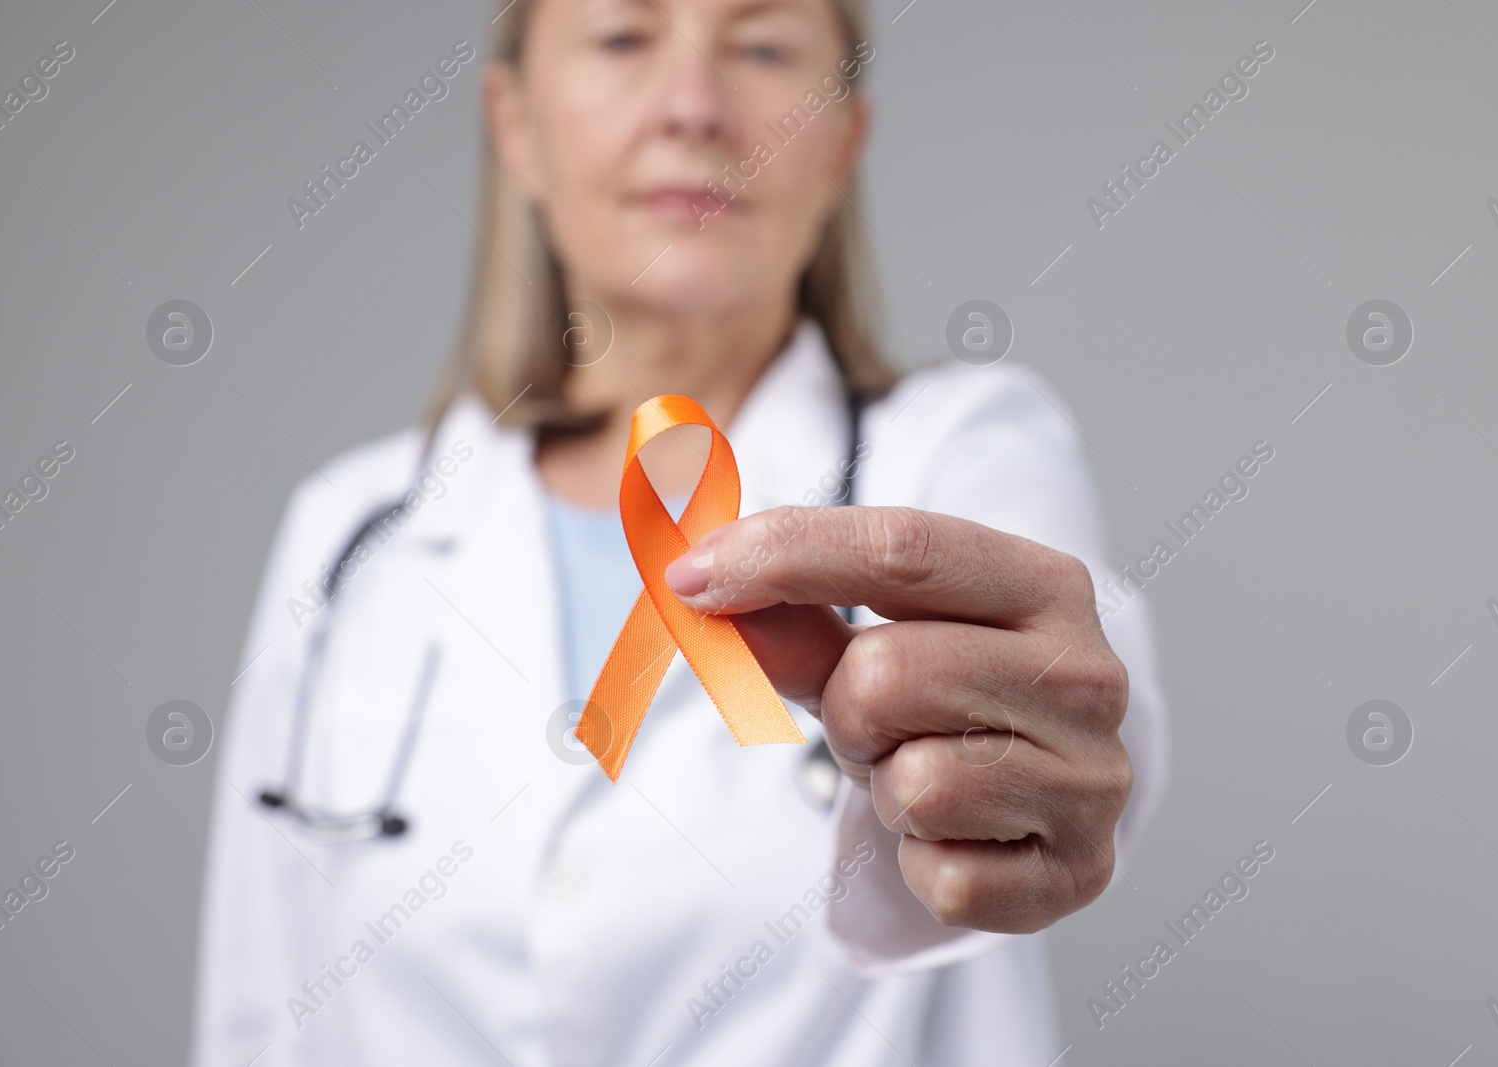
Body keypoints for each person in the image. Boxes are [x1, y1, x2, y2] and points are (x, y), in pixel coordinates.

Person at [189, 0, 1168, 1063]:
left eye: (760, 46)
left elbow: (1078, 673)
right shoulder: (350, 536)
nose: (694, 107)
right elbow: (255, 1007)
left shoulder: (963, 451)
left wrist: (1043, 762)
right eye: (620, 37)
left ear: (840, 140)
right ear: (515, 126)